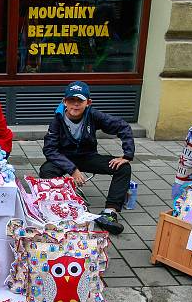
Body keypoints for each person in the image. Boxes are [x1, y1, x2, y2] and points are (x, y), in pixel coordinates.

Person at [39, 81, 134, 235]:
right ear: (65, 102)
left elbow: (123, 126)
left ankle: (110, 213)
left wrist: (127, 155)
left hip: (88, 157)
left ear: (88, 103)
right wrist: (72, 169)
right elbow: (49, 150)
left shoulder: (93, 115)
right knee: (46, 170)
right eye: (71, 101)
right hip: (65, 159)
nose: (75, 105)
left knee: (123, 168)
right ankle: (58, 208)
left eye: (80, 101)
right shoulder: (58, 119)